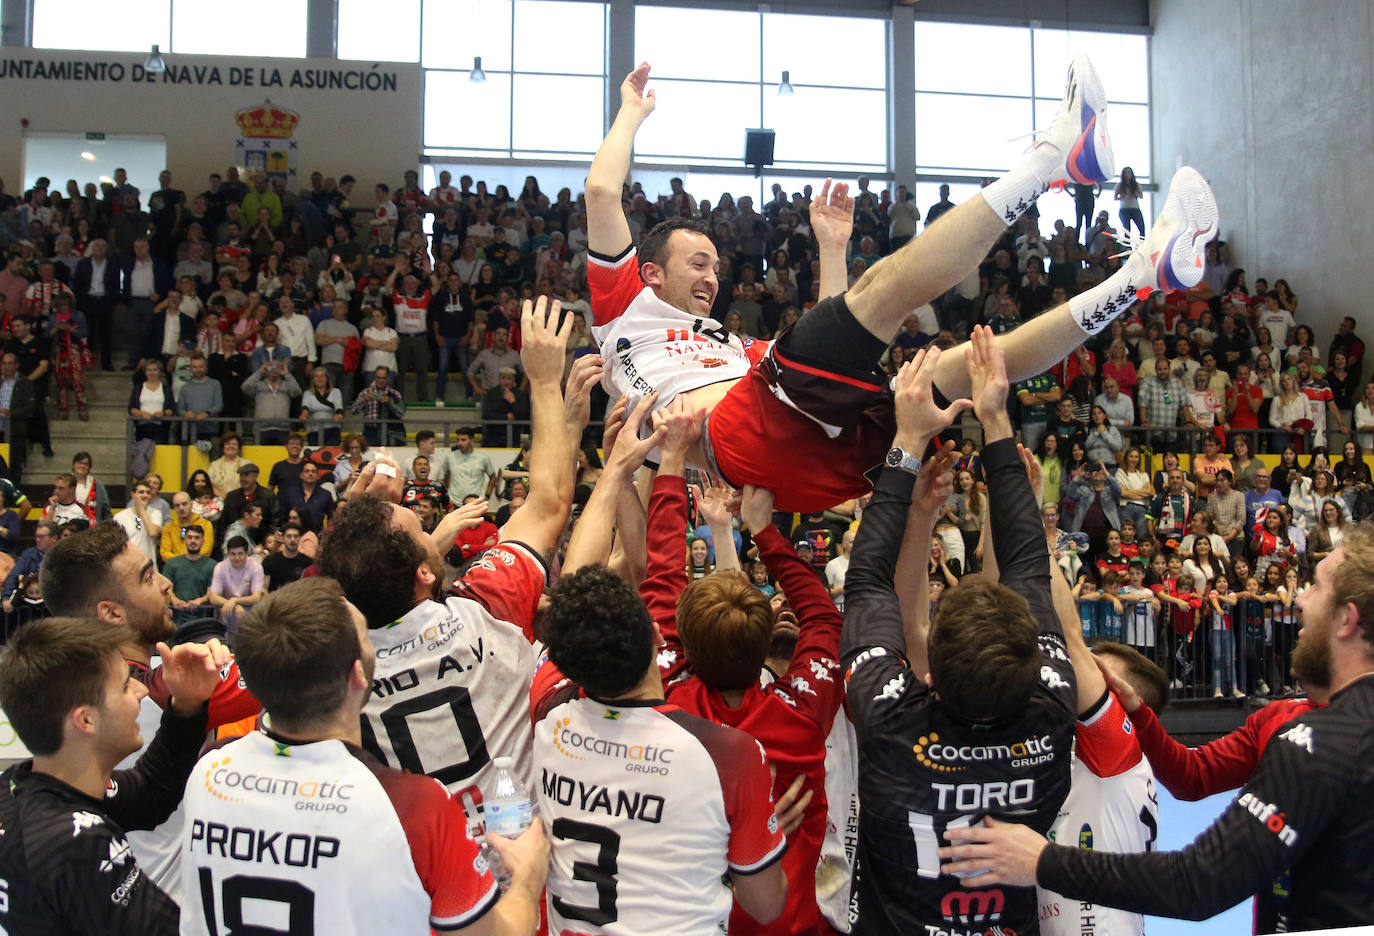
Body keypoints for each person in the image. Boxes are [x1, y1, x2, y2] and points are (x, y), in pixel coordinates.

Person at [585, 61, 1215, 513]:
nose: (713, 276)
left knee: (964, 365)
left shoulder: (731, 347)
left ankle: (1141, 276)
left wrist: (833, 251)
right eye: (698, 263)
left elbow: (821, 359)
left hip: (802, 459)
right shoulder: (625, 311)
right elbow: (601, 192)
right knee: (884, 288)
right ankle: (1056, 157)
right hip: (744, 443)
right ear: (650, 273)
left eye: (717, 265)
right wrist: (630, 115)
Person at [939, 522, 1374, 932]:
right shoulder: (1284, 719)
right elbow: (1193, 776)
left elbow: (1200, 881)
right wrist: (1141, 717)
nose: (1298, 598)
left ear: (1346, 619)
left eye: (1315, 586)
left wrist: (1042, 861)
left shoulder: (1317, 741)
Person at [839, 329, 1078, 933]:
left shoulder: (893, 723)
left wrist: (909, 439)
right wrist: (995, 424)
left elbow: (866, 581)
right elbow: (1029, 567)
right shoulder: (1052, 712)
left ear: (929, 674)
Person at [181, 577, 549, 935]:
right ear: (358, 675)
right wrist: (527, 883)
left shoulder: (209, 769)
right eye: (366, 636)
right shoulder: (414, 807)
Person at [316, 297, 575, 801]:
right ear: (425, 574)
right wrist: (544, 382)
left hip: (419, 863)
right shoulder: (482, 612)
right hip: (517, 858)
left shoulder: (335, 672)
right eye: (423, 532)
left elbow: (330, 590)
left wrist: (354, 525)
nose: (432, 532)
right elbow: (548, 503)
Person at [533, 557, 787, 936]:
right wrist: (767, 827)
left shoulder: (547, 713)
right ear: (657, 635)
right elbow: (766, 906)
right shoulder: (730, 754)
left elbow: (569, 627)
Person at [38, 522, 262, 892]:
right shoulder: (158, 688)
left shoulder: (65, 686)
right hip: (163, 908)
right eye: (147, 577)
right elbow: (302, 657)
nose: (165, 583)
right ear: (111, 613)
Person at [0, 617, 229, 934]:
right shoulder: (76, 842)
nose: (140, 690)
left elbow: (150, 793)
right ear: (86, 720)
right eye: (125, 683)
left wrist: (187, 703)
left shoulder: (22, 785)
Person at [164, 524, 216, 626]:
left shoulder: (212, 565)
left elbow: (212, 593)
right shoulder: (172, 563)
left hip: (201, 618)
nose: (193, 541)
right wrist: (174, 600)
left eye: (197, 538)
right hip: (175, 618)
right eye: (190, 537)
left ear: (203, 541)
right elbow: (167, 588)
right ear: (184, 540)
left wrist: (199, 601)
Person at [208, 535, 265, 629]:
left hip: (251, 619)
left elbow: (256, 597)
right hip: (226, 616)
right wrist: (234, 605)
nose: (237, 558)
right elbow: (213, 598)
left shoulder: (256, 567)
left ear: (247, 553)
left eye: (240, 554)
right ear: (228, 554)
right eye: (233, 554)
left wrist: (234, 600)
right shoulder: (220, 567)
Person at [437, 429, 499, 501]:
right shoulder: (450, 457)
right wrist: (445, 496)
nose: (459, 443)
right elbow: (442, 478)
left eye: (463, 440)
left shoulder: (483, 458)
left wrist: (487, 495)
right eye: (458, 440)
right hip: (454, 501)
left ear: (472, 440)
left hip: (476, 500)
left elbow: (493, 477)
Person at [350, 365, 405, 446]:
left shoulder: (394, 393)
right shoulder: (366, 392)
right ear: (375, 378)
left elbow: (401, 412)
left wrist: (390, 402)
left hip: (388, 432)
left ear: (388, 379)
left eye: (383, 378)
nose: (380, 380)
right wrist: (364, 400)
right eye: (378, 377)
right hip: (369, 431)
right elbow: (354, 411)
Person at [113, 478, 163, 563]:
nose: (145, 495)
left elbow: (153, 532)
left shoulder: (156, 513)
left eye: (148, 492)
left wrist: (142, 511)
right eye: (141, 492)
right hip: (127, 565)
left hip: (149, 565)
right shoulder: (119, 517)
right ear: (133, 494)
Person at [279, 458, 334, 534]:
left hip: (317, 536)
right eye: (307, 471)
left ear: (318, 476)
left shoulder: (325, 494)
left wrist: (327, 534)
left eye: (313, 471)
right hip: (294, 536)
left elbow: (332, 518)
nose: (310, 474)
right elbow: (282, 517)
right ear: (301, 475)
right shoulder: (290, 493)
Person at [261, 523, 313, 591]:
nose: (292, 540)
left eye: (296, 536)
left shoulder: (308, 562)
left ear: (300, 538)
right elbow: (264, 588)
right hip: (274, 599)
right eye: (289, 536)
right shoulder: (269, 561)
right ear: (282, 538)